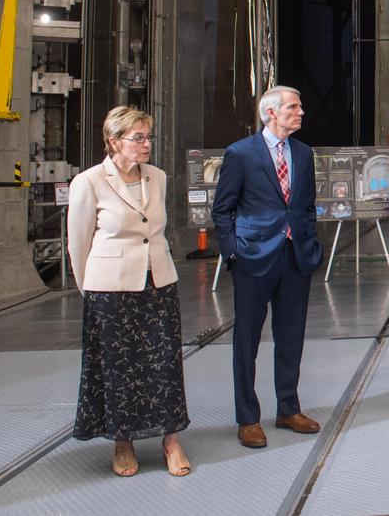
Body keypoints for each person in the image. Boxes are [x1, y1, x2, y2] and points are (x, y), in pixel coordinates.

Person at [67, 106, 191, 477]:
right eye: (138, 138)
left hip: (158, 284)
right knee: (120, 369)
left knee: (165, 364)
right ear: (113, 141)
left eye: (148, 137)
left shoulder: (158, 177)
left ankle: (171, 441)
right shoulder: (88, 182)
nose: (146, 144)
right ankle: (123, 444)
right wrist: (91, 289)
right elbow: (78, 243)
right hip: (110, 289)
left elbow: (153, 229)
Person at [213, 85, 324, 447]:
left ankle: (288, 409)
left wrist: (310, 240)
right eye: (294, 106)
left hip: (296, 257)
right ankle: (247, 417)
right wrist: (233, 252)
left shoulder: (304, 153)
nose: (301, 112)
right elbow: (223, 209)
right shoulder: (241, 154)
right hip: (253, 258)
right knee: (247, 341)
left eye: (300, 105)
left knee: (290, 338)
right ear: (271, 113)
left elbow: (305, 205)